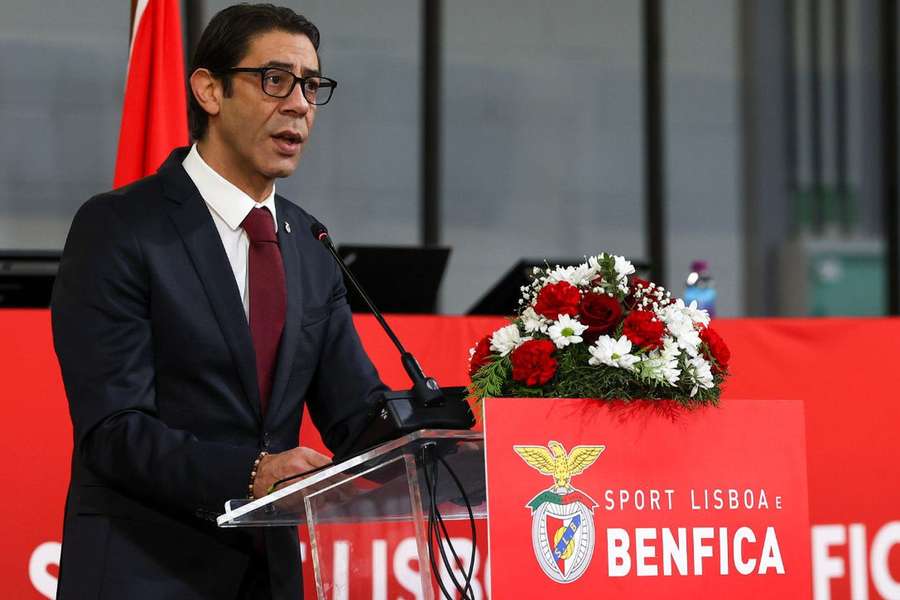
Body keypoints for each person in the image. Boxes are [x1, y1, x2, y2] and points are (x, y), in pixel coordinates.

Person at [51, 4, 386, 599]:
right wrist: (253, 474)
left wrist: (460, 430)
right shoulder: (122, 226)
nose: (300, 104)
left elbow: (358, 415)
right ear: (209, 89)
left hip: (268, 578)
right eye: (275, 80)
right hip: (143, 571)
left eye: (311, 86)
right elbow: (113, 430)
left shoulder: (309, 244)